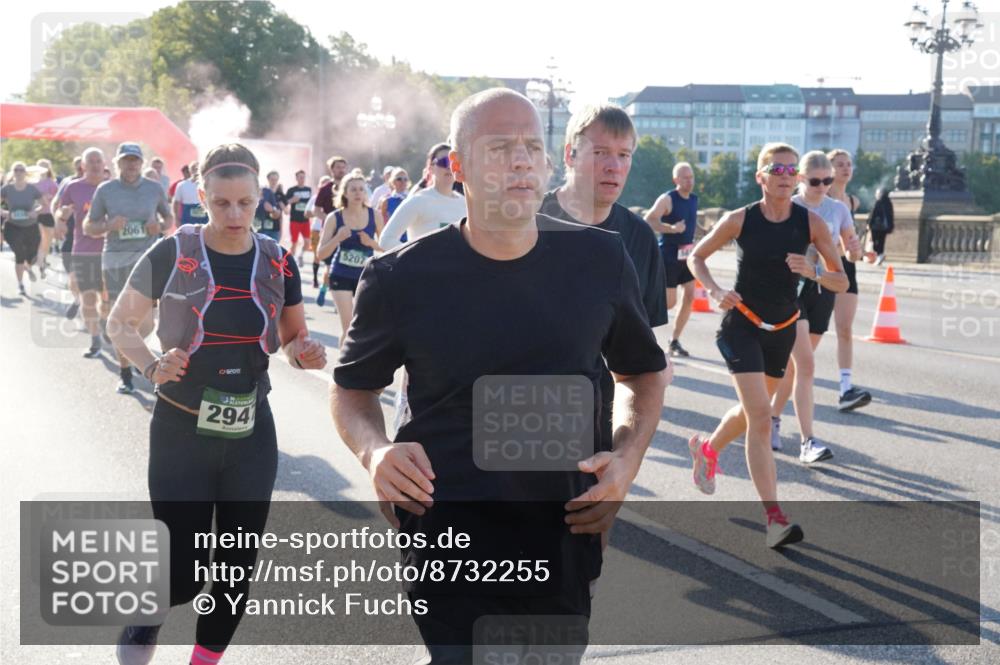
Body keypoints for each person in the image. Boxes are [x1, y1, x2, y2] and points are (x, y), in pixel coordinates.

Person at [331, 88, 669, 663]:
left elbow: (643, 373)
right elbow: (352, 391)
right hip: (449, 539)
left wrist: (627, 458)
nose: (520, 160)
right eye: (500, 147)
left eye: (532, 147)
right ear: (457, 166)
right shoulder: (400, 278)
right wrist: (375, 452)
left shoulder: (602, 260)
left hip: (563, 536)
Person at [108, 143, 326, 665]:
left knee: (234, 564)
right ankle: (148, 614)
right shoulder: (171, 252)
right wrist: (152, 365)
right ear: (200, 195)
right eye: (221, 202)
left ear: (260, 201)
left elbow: (293, 337)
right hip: (181, 430)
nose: (233, 214)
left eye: (245, 203)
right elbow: (120, 324)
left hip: (251, 432)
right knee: (181, 570)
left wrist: (305, 352)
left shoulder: (276, 259)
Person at [686, 143, 847, 549]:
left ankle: (708, 449)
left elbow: (841, 280)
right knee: (760, 418)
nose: (785, 174)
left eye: (791, 169)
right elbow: (696, 257)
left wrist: (813, 270)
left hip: (784, 329)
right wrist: (715, 289)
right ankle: (774, 518)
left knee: (750, 409)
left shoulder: (812, 224)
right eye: (776, 168)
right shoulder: (739, 219)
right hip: (742, 325)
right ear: (761, 176)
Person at [539, 103, 667, 456]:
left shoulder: (639, 236)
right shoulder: (527, 222)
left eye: (624, 155)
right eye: (600, 153)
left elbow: (642, 344)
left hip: (601, 421)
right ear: (570, 154)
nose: (614, 166)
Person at [768, 151, 864, 460]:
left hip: (823, 288)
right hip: (791, 289)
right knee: (806, 364)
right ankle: (808, 442)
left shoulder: (838, 209)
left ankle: (771, 418)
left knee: (796, 366)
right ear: (800, 179)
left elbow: (850, 255)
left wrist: (854, 250)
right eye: (815, 181)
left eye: (827, 181)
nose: (822, 186)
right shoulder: (790, 205)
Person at [83, 142, 174, 394]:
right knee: (122, 321)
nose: (131, 165)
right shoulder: (106, 190)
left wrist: (160, 226)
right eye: (126, 160)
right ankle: (125, 374)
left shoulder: (154, 189)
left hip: (147, 260)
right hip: (115, 260)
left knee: (146, 325)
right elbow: (89, 227)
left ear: (141, 163)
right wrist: (108, 225)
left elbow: (169, 219)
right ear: (118, 163)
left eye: (135, 160)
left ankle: (132, 351)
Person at [827, 149, 874, 412]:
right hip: (821, 269)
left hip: (847, 270)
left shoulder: (852, 202)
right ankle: (780, 379)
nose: (845, 168)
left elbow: (850, 240)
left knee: (844, 329)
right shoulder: (821, 197)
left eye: (848, 164)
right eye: (839, 165)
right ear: (829, 169)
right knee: (810, 333)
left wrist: (861, 251)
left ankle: (845, 388)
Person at [315, 169, 382, 341]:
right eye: (353, 189)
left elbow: (386, 248)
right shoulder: (334, 217)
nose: (358, 193)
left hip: (365, 276)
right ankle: (344, 366)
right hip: (340, 274)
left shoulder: (375, 215)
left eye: (361, 189)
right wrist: (337, 237)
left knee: (363, 326)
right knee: (349, 327)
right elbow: (321, 254)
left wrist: (371, 243)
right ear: (345, 192)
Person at [54, 148, 108, 356]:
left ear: (104, 164)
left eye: (98, 160)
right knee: (88, 299)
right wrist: (62, 215)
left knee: (108, 300)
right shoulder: (73, 187)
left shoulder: (113, 188)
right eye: (91, 161)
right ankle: (95, 340)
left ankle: (104, 323)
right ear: (83, 166)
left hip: (110, 251)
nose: (95, 165)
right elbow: (61, 209)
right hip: (84, 250)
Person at [644, 162, 698, 357]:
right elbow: (649, 220)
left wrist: (706, 232)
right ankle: (639, 330)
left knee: (690, 295)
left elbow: (692, 221)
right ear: (676, 180)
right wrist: (672, 229)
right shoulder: (667, 199)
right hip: (668, 255)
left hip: (687, 255)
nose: (689, 181)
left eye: (691, 177)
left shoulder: (693, 199)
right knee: (668, 303)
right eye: (684, 177)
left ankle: (674, 341)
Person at [378, 143, 466, 251]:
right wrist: (418, 260)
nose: (449, 167)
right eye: (444, 162)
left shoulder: (465, 203)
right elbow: (386, 240)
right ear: (431, 168)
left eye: (453, 162)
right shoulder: (419, 200)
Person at [1, 162, 44, 295]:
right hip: (12, 226)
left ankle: (28, 267)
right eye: (16, 170)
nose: (19, 172)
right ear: (13, 173)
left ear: (26, 173)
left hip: (31, 226)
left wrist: (35, 212)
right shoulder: (6, 189)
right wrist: (4, 212)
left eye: (21, 170)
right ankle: (20, 285)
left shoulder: (32, 189)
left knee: (31, 256)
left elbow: (44, 205)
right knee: (19, 254)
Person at [312, 156, 349, 306]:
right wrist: (330, 219)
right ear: (332, 169)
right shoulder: (325, 189)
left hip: (347, 232)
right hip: (330, 234)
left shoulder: (349, 188)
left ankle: (341, 298)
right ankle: (324, 288)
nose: (341, 170)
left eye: (343, 167)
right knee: (330, 267)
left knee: (345, 266)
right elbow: (316, 211)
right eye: (338, 167)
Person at [33, 159, 59, 278]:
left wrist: (50, 197)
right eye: (40, 166)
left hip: (48, 214)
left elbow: (57, 198)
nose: (42, 169)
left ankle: (43, 259)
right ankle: (40, 261)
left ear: (49, 169)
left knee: (47, 241)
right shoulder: (32, 182)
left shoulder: (52, 183)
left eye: (45, 166)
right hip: (36, 214)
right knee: (39, 239)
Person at [284, 169, 312, 264]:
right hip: (295, 220)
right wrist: (292, 200)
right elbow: (284, 202)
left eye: (303, 177)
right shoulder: (291, 190)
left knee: (307, 242)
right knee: (294, 243)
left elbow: (311, 203)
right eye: (300, 177)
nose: (302, 179)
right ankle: (291, 262)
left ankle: (300, 255)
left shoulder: (308, 189)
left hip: (305, 220)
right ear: (296, 178)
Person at [308, 175, 331, 289]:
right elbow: (306, 213)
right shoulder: (315, 198)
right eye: (323, 183)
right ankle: (315, 279)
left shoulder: (334, 197)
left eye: (328, 183)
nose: (326, 185)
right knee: (317, 256)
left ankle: (327, 283)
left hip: (331, 230)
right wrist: (317, 212)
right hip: (317, 229)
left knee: (330, 259)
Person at [172, 162, 207, 228]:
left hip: (204, 215)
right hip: (188, 214)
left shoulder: (208, 184)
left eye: (198, 169)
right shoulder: (182, 185)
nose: (196, 171)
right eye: (194, 169)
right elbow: (176, 202)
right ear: (190, 171)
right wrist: (176, 219)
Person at [867, 187, 894, 265]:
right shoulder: (889, 203)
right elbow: (891, 215)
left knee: (875, 242)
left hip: (876, 226)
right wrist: (890, 226)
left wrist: (869, 223)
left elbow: (873, 214)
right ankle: (880, 255)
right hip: (885, 227)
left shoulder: (877, 202)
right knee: (881, 242)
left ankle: (878, 255)